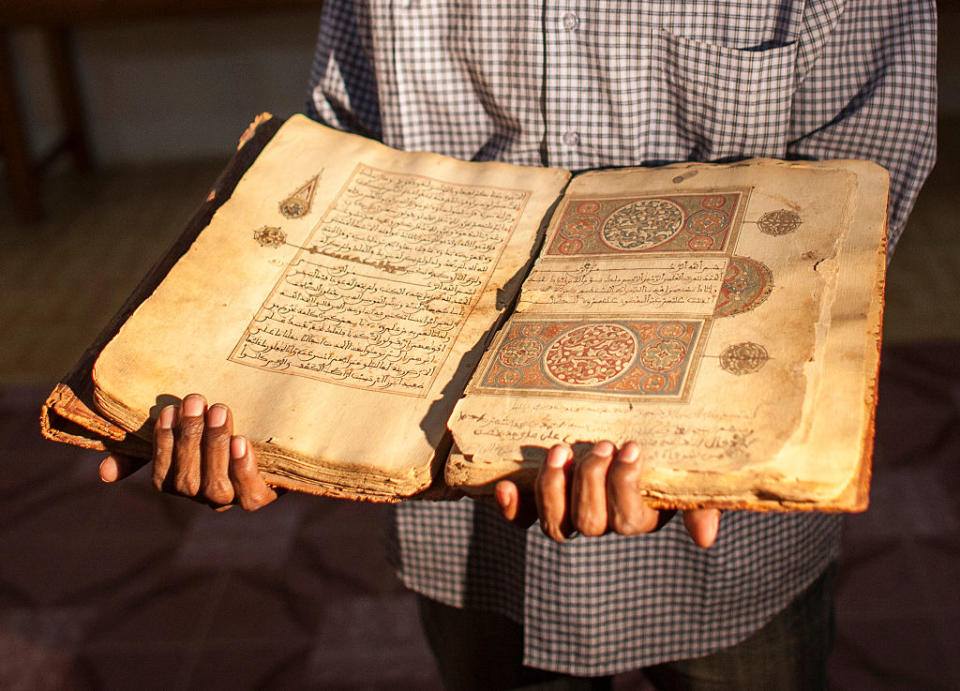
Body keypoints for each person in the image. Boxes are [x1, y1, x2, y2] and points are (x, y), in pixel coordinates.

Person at [100, 1, 937, 688]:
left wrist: (705, 431)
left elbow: (864, 169)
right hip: (466, 517)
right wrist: (246, 397)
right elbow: (341, 151)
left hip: (726, 543)